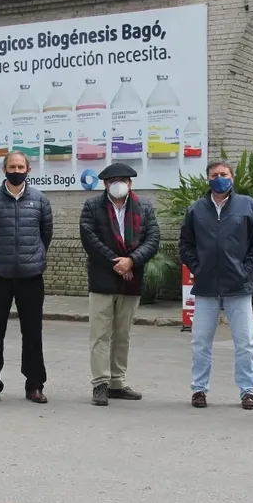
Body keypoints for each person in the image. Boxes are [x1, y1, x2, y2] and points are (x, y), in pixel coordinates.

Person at [178, 160, 253, 410]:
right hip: (206, 286)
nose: (219, 178)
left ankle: (247, 391)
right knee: (200, 342)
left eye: (223, 174)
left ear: (232, 177)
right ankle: (199, 389)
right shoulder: (196, 209)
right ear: (207, 179)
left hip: (238, 286)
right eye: (214, 175)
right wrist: (198, 268)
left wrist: (246, 269)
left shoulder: (248, 206)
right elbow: (185, 244)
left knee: (245, 343)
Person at [79, 162, 161, 406]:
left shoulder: (144, 206)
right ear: (105, 184)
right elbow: (89, 239)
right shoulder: (92, 206)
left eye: (123, 180)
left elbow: (153, 238)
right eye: (113, 181)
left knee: (123, 334)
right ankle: (100, 383)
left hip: (131, 280)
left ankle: (117, 382)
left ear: (130, 183)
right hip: (103, 278)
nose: (118, 185)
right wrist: (117, 263)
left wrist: (132, 261)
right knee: (100, 334)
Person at [0, 150, 53, 405]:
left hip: (31, 277)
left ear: (28, 170)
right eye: (12, 167)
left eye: (21, 167)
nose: (16, 171)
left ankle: (35, 385)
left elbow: (45, 235)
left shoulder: (40, 201)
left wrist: (33, 259)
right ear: (4, 170)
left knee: (33, 333)